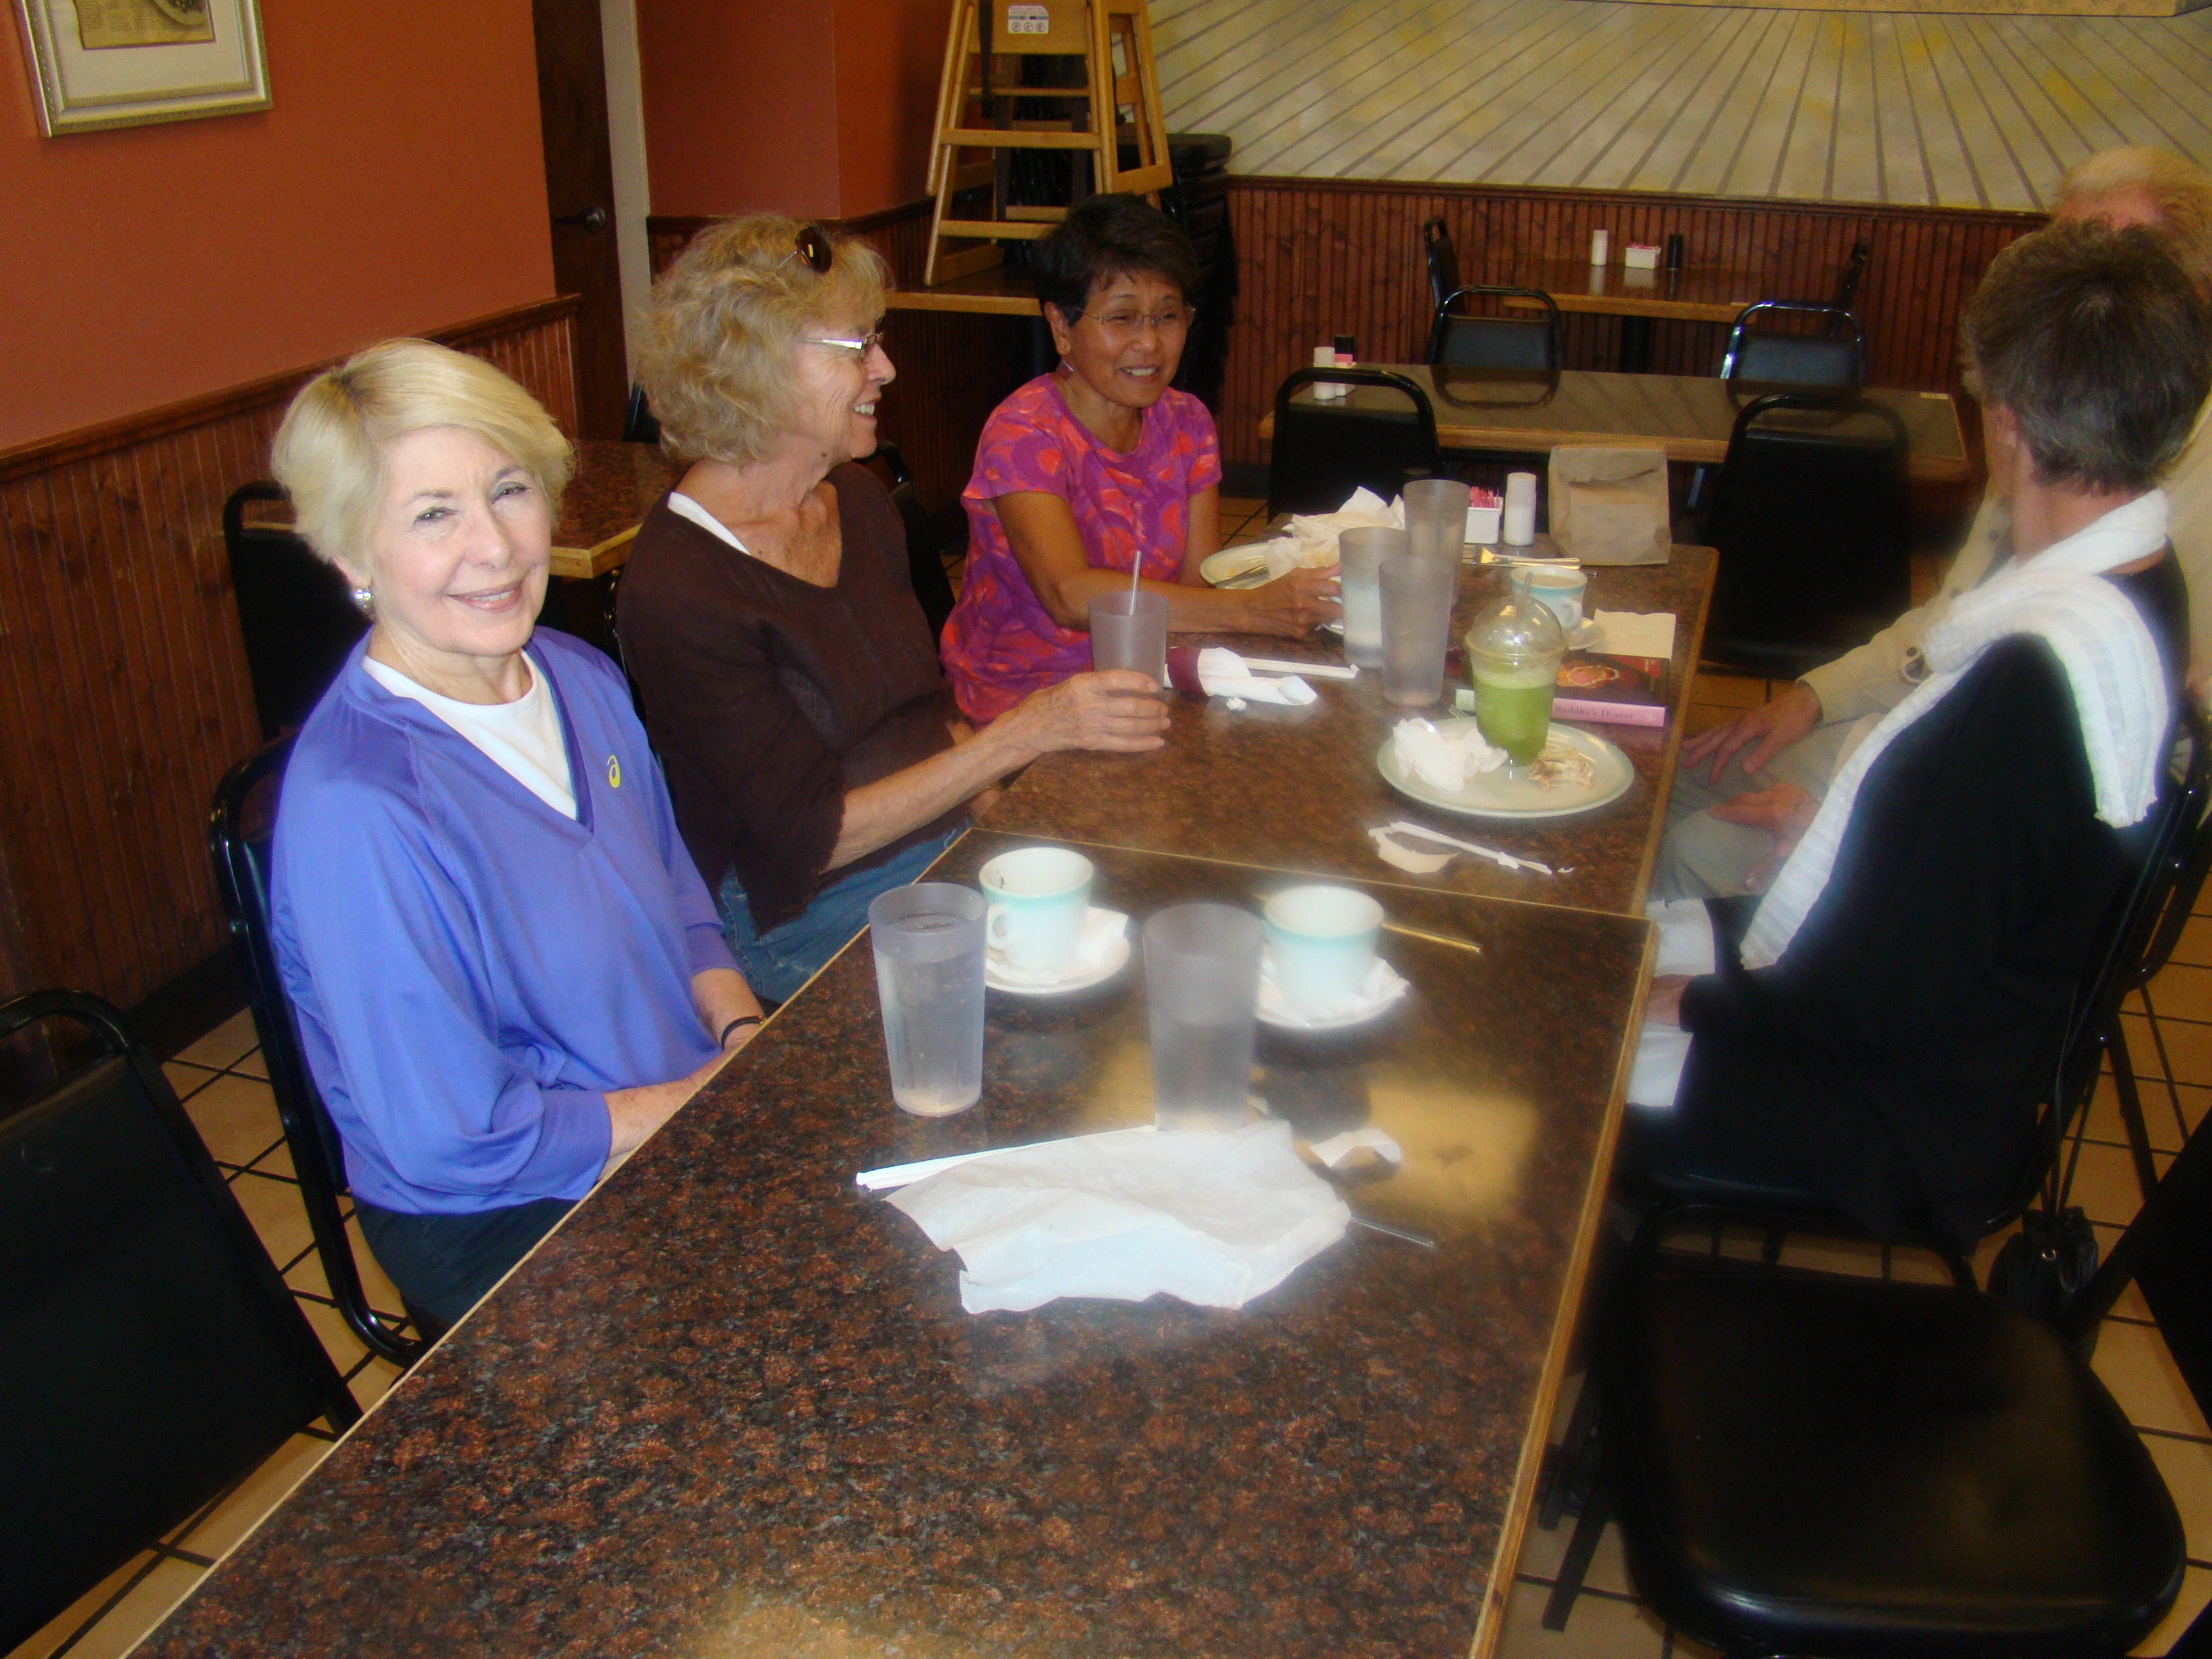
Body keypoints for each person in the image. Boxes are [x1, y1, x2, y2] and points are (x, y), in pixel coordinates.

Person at [1623, 223, 2207, 1240]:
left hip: (1889, 1118)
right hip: (1932, 1048)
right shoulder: (2144, 587)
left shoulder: (2036, 679)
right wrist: (1838, 832)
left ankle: (1591, 1294)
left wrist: (1694, 1001)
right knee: (1613, 941)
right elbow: (1969, 889)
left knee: (1559, 1031)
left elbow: (1882, 996)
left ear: (2007, 422)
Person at [268, 340, 763, 1333]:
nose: (494, 547)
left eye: (509, 490)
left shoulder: (581, 675)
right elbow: (457, 1135)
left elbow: (676, 898)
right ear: (352, 556)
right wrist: (703, 1102)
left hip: (671, 1101)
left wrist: (747, 1040)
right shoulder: (361, 808)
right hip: (508, 1212)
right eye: (432, 515)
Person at [616, 215, 1167, 1003]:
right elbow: (810, 841)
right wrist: (1026, 733)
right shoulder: (679, 586)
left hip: (938, 846)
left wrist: (1002, 832)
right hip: (802, 910)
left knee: (1140, 903)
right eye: (856, 348)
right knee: (1075, 998)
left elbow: (930, 708)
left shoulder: (855, 499)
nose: (885, 368)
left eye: (876, 340)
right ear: (752, 369)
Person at [1657, 145, 2212, 901]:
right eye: (2067, 254)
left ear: (2190, 289)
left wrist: (1853, 828)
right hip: (1917, 742)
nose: (2077, 290)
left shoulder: (2124, 494)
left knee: (1690, 850)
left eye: (2114, 260)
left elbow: (2096, 785)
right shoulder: (2055, 433)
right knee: (1655, 782)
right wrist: (1812, 698)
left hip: (1972, 816)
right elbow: (1948, 621)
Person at [939, 193, 1340, 723]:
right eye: (1122, 318)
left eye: (1167, 316)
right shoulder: (1024, 432)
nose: (1149, 343)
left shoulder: (1187, 422)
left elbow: (1198, 585)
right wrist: (1249, 609)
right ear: (1061, 327)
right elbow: (1068, 594)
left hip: (1149, 683)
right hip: (1027, 705)